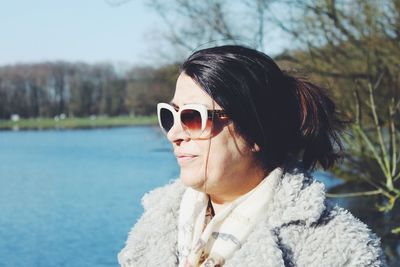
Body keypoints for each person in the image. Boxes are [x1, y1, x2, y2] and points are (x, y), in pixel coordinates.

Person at [118, 45, 385, 267]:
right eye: (170, 115)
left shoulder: (343, 251)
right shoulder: (154, 226)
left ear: (256, 132)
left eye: (192, 117)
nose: (173, 133)